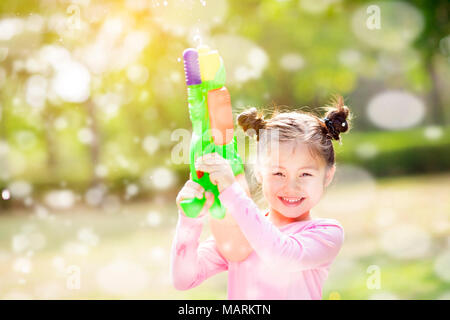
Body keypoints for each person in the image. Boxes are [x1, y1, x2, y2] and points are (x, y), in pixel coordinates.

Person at [170, 95, 351, 299]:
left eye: (305, 174)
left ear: (327, 175)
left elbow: (281, 255)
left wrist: (232, 191)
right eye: (278, 173)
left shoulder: (327, 233)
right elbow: (184, 279)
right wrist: (189, 221)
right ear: (259, 173)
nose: (291, 187)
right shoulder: (242, 230)